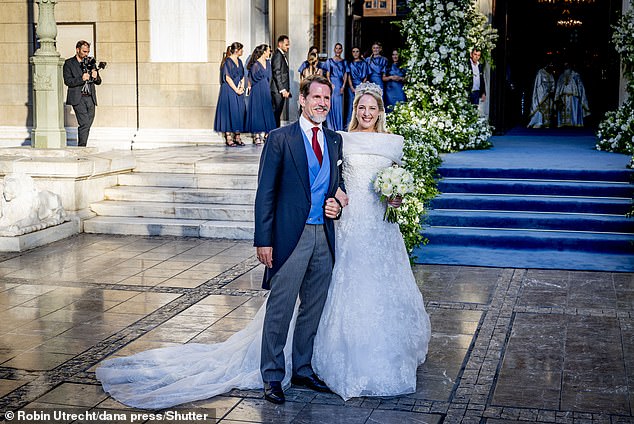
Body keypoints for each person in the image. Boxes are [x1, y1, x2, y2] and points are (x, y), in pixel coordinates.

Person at [94, 80, 430, 410]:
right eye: (316, 97)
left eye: (327, 98)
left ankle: (302, 369)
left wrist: (337, 204)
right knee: (281, 306)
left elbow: (338, 185)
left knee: (314, 307)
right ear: (302, 99)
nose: (322, 103)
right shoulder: (280, 138)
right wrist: (264, 240)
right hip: (290, 238)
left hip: (326, 236)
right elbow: (265, 193)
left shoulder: (333, 140)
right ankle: (272, 375)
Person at [312, 82, 430, 400]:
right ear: (355, 110)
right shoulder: (342, 140)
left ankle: (387, 349)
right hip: (349, 224)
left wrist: (396, 198)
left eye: (372, 108)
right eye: (361, 107)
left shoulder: (392, 144)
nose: (366, 113)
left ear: (380, 111)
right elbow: (330, 179)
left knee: (383, 282)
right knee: (348, 279)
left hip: (379, 226)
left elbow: (396, 187)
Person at [63, 40, 102, 147]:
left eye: (88, 52)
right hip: (78, 98)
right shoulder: (69, 63)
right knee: (84, 123)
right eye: (84, 51)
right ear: (77, 50)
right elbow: (68, 81)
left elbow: (99, 82)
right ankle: (82, 147)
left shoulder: (91, 62)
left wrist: (96, 76)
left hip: (90, 97)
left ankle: (82, 145)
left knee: (88, 123)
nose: (86, 54)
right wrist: (81, 79)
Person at [214, 42, 247, 146]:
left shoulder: (240, 61)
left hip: (238, 89)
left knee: (239, 111)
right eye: (241, 49)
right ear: (236, 50)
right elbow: (227, 77)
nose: (242, 51)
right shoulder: (227, 61)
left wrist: (242, 86)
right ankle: (228, 137)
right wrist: (236, 89)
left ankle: (237, 136)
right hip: (229, 89)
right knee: (229, 111)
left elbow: (242, 75)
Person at [245, 44, 276, 145]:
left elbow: (269, 77)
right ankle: (257, 135)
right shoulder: (256, 64)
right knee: (257, 111)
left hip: (266, 88)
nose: (269, 52)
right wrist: (248, 88)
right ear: (264, 52)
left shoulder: (268, 63)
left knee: (267, 110)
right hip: (257, 90)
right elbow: (251, 78)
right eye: (268, 51)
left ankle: (267, 133)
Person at [325, 43, 348, 131]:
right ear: (334, 50)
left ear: (341, 50)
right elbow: (327, 74)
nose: (338, 50)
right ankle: (331, 127)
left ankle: (338, 128)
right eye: (336, 48)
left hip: (339, 85)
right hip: (332, 85)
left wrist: (343, 86)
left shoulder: (344, 62)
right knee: (331, 105)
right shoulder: (329, 61)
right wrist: (330, 84)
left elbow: (345, 74)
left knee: (338, 106)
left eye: (339, 48)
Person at [270, 35, 291, 128]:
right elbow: (276, 73)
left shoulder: (282, 55)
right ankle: (274, 133)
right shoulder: (278, 55)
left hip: (281, 90)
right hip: (277, 91)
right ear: (280, 44)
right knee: (276, 113)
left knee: (278, 113)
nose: (288, 46)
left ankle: (276, 132)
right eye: (286, 44)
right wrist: (282, 89)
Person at [345, 46, 369, 125]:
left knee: (361, 105)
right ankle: (350, 124)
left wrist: (361, 87)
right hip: (351, 88)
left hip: (361, 86)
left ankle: (359, 124)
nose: (355, 53)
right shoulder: (350, 63)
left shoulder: (364, 63)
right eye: (353, 51)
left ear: (360, 53)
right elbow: (348, 76)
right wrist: (352, 87)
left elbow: (365, 76)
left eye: (357, 51)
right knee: (351, 106)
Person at [527, 64, 556, 128]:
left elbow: (553, 83)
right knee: (540, 108)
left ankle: (547, 123)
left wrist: (552, 90)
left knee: (548, 109)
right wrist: (545, 92)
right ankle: (539, 122)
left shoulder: (550, 73)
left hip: (548, 95)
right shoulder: (540, 73)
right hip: (541, 95)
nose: (551, 66)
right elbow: (538, 85)